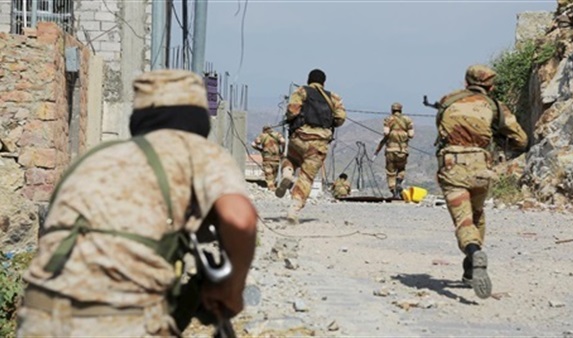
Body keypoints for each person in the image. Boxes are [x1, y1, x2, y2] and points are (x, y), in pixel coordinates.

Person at [17, 70, 258, 337]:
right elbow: (240, 218)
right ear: (199, 120)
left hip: (40, 316)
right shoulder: (196, 151)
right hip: (121, 319)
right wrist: (232, 290)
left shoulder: (94, 160)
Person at [435, 64, 527, 299]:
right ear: (491, 86)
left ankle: (473, 253)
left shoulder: (448, 100)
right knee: (477, 216)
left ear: (466, 83)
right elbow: (520, 139)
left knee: (463, 219)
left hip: (452, 165)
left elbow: (441, 126)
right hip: (480, 166)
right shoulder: (496, 106)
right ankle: (469, 270)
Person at [275, 69, 346, 224]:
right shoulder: (333, 97)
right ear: (324, 82)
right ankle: (293, 209)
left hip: (300, 137)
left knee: (290, 158)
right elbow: (340, 118)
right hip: (319, 143)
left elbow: (292, 110)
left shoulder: (301, 91)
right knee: (306, 177)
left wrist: (290, 119)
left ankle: (287, 174)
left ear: (308, 80)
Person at [375, 102, 414, 198]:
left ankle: (393, 190)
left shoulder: (388, 119)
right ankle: (399, 182)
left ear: (392, 110)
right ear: (401, 110)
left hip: (390, 150)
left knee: (391, 172)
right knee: (401, 169)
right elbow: (411, 135)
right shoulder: (407, 120)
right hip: (403, 151)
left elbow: (386, 133)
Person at [251, 125, 285, 191]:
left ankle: (271, 188)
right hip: (276, 158)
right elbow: (283, 141)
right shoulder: (277, 135)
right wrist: (282, 151)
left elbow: (253, 144)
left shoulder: (262, 136)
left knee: (269, 174)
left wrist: (260, 149)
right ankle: (273, 187)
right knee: (274, 174)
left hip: (267, 158)